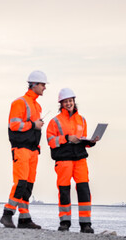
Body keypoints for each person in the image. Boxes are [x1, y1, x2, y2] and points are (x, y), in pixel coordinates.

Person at [46, 88, 99, 233]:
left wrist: (91, 141)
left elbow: (83, 140)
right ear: (61, 103)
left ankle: (85, 224)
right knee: (64, 191)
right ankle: (64, 222)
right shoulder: (54, 122)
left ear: (74, 101)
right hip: (63, 160)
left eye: (71, 100)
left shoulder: (81, 119)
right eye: (66, 101)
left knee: (84, 190)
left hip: (80, 159)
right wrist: (66, 138)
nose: (69, 103)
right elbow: (50, 141)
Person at [0, 70, 47, 229]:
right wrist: (34, 125)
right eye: (42, 84)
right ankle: (7, 214)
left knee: (28, 185)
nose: (44, 88)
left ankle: (24, 219)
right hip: (21, 149)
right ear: (34, 84)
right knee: (20, 183)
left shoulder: (36, 105)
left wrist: (36, 127)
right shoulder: (19, 103)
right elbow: (14, 125)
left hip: (33, 150)